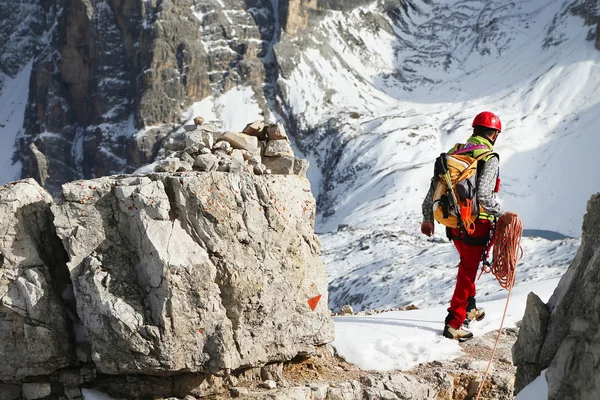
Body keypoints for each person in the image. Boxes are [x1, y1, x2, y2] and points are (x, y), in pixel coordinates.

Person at [420, 111, 517, 340]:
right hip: (477, 225)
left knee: (466, 267)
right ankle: (454, 323)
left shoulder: (455, 152)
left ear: (474, 130)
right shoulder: (489, 157)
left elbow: (434, 188)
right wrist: (503, 215)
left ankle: (470, 308)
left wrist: (427, 218)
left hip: (453, 222)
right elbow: (484, 196)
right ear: (494, 134)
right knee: (467, 273)